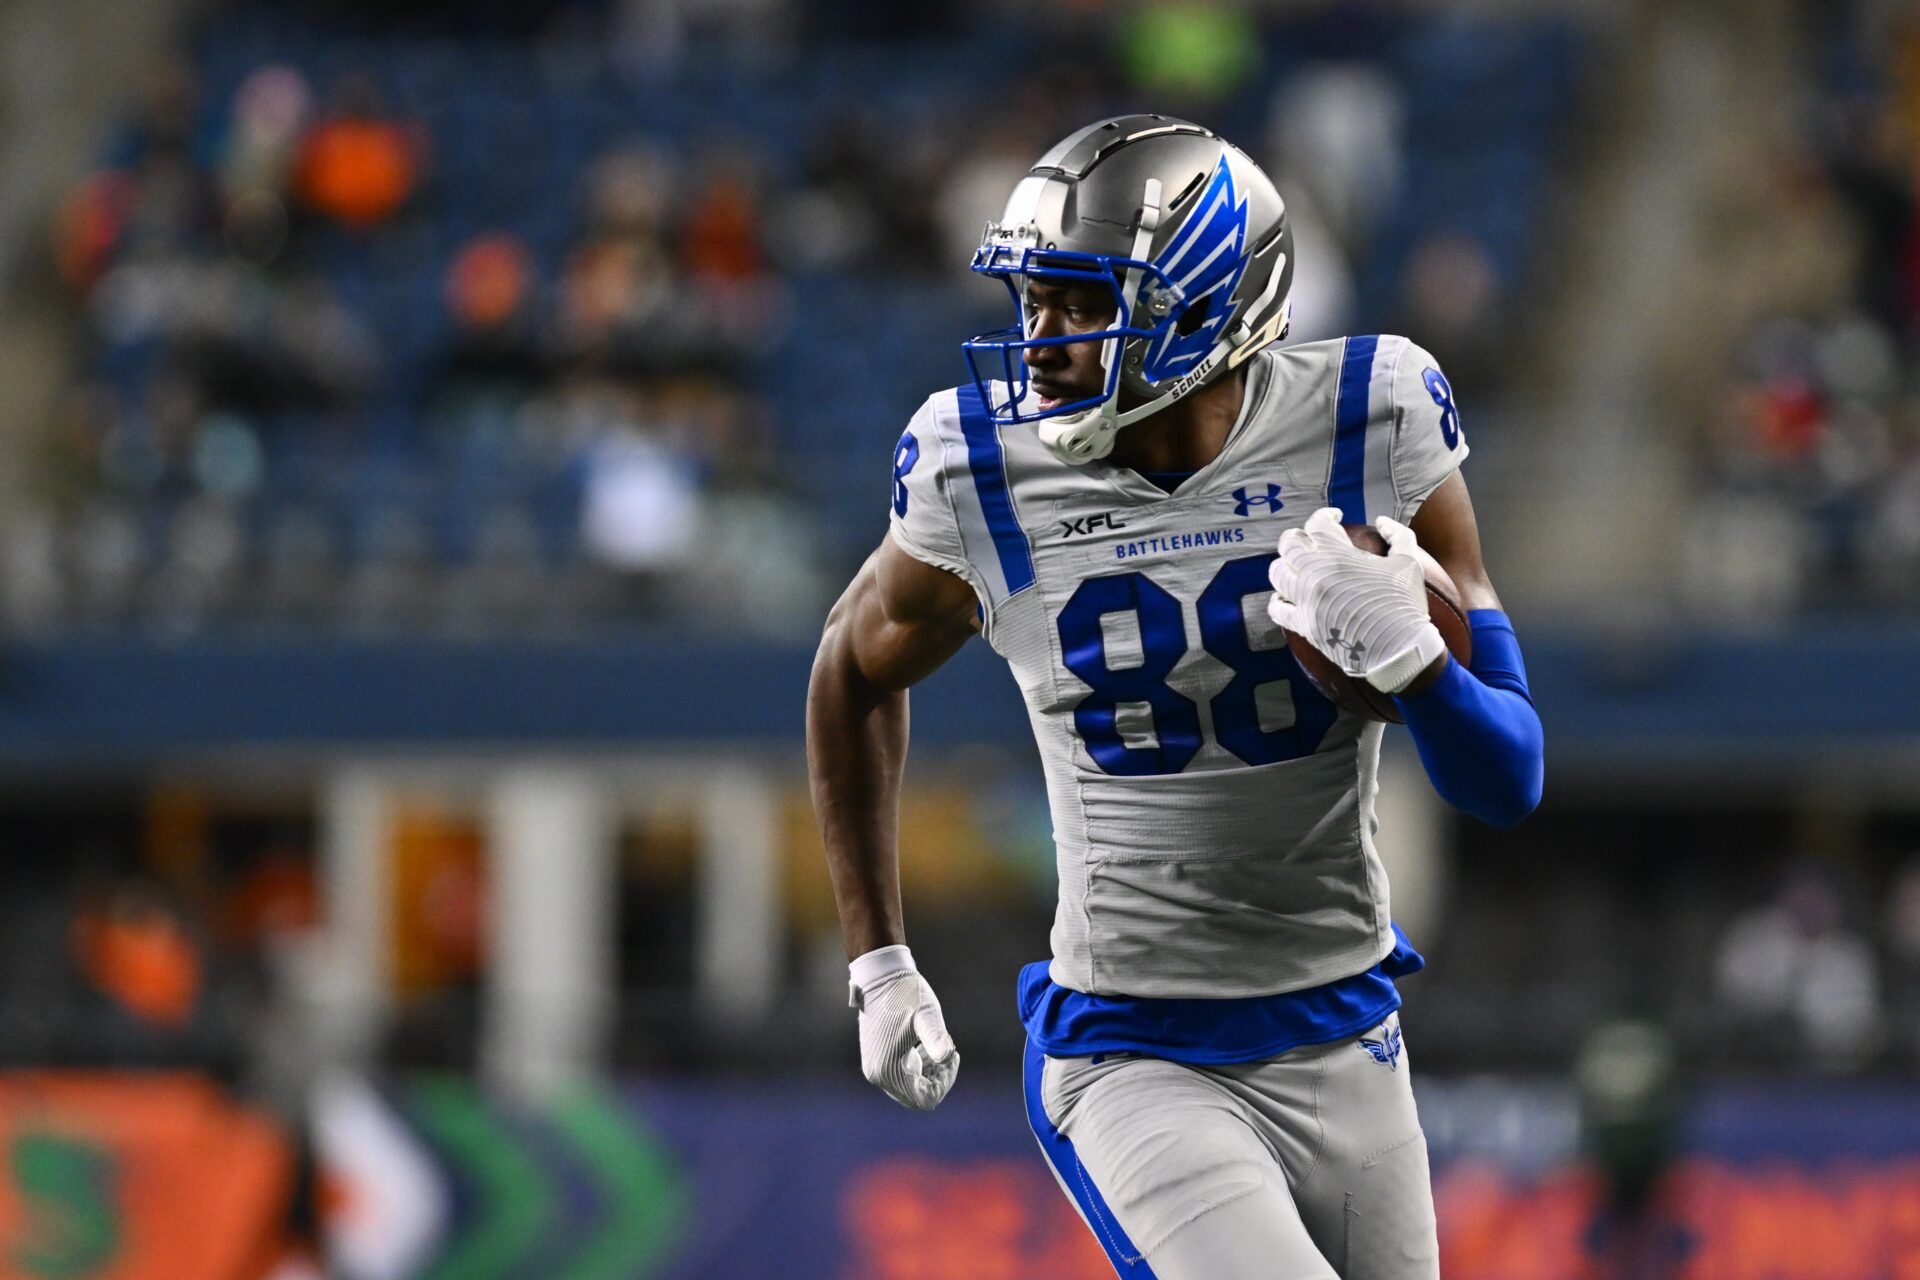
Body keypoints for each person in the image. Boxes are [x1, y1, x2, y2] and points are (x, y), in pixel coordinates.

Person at [806, 115, 1544, 1280]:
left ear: (1201, 308)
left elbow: (1508, 780)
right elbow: (851, 668)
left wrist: (1420, 667)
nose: (1037, 340)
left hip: (1348, 1032)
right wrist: (878, 958)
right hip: (1136, 1049)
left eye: (1077, 304)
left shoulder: (1372, 413)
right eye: (1031, 300)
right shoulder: (979, 467)